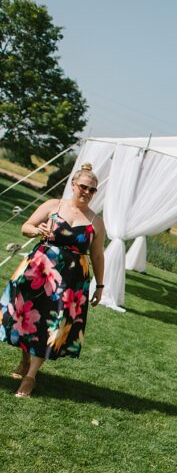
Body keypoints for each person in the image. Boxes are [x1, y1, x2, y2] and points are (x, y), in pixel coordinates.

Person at [0, 162, 105, 398]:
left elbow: (97, 255)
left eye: (92, 190)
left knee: (52, 323)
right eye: (84, 187)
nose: (87, 193)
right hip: (38, 271)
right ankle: (24, 360)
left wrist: (100, 286)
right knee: (25, 318)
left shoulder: (95, 221)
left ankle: (30, 377)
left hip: (70, 280)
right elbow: (26, 227)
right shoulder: (53, 206)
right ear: (74, 185)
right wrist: (37, 231)